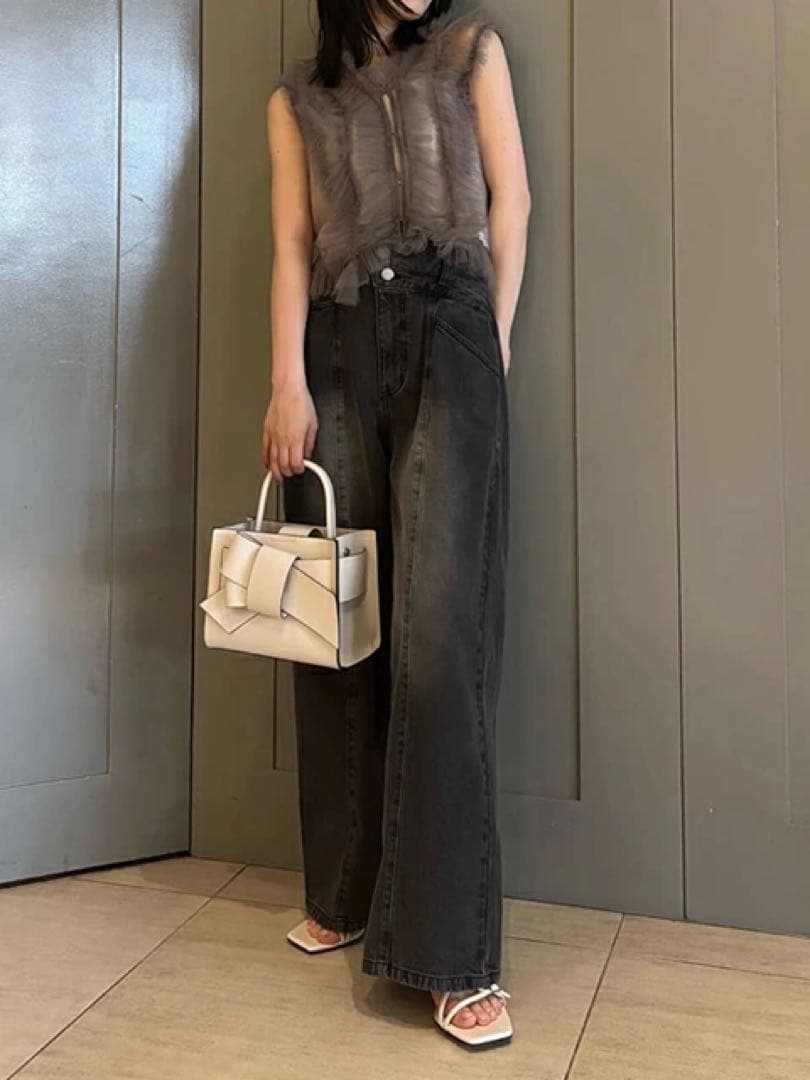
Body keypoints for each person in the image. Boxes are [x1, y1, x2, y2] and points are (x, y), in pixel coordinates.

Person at [263, 0, 531, 1051]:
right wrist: (286, 382)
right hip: (336, 345)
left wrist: (492, 341)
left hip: (449, 328)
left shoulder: (472, 51)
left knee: (437, 635)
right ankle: (343, 890)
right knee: (341, 627)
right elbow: (293, 244)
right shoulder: (299, 97)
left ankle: (453, 957)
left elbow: (511, 201)